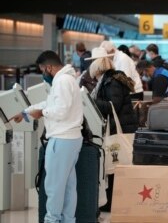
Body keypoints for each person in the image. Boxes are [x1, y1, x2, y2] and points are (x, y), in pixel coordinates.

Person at [12, 50, 83, 223]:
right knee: (67, 186)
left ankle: (52, 220)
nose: (43, 73)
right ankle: (67, 220)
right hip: (71, 139)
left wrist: (40, 113)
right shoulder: (67, 79)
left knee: (54, 186)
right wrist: (26, 112)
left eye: (42, 69)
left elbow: (60, 110)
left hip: (62, 139)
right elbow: (51, 103)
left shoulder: (62, 81)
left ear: (49, 67)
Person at [88, 50, 138, 212]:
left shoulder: (111, 81)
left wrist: (93, 102)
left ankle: (113, 203)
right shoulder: (112, 79)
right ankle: (113, 202)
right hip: (121, 128)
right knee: (115, 167)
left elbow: (112, 106)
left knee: (115, 166)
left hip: (119, 129)